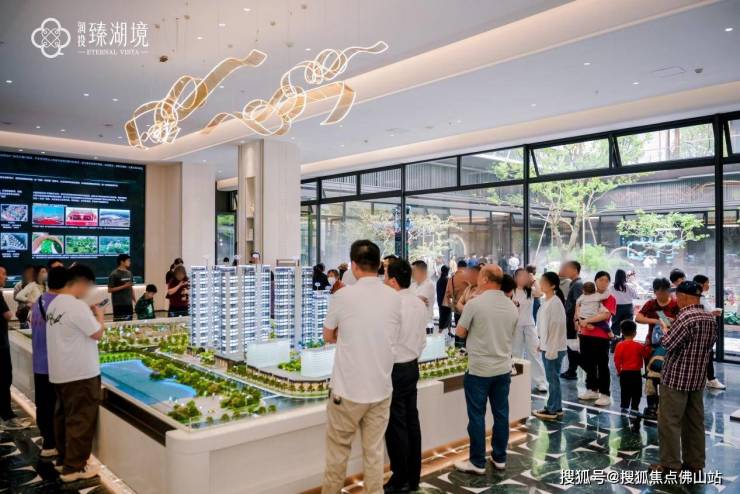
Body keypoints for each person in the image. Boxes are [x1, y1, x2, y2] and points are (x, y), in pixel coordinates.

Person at [321, 240, 401, 494]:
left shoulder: (343, 296)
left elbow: (327, 335)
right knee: (374, 454)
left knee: (337, 455)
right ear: (379, 266)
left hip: (347, 391)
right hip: (381, 389)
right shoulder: (393, 297)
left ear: (354, 265)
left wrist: (346, 335)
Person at [454, 264, 518, 474]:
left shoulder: (475, 304)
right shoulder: (511, 306)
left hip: (479, 369)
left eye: (480, 275)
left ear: (484, 279)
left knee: (476, 416)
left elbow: (460, 332)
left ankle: (477, 462)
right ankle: (499, 458)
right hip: (503, 368)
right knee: (501, 414)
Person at [46, 264, 105, 482]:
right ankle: (74, 468)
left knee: (63, 418)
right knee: (81, 420)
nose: (88, 291)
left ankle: (64, 460)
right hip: (80, 374)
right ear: (81, 283)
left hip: (61, 372)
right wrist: (100, 315)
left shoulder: (54, 304)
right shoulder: (76, 306)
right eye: (89, 286)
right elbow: (97, 333)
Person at [653, 281, 717, 474]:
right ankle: (695, 463)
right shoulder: (709, 318)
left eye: (677, 296)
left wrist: (666, 329)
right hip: (697, 378)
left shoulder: (685, 317)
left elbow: (668, 343)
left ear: (684, 297)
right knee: (695, 422)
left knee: (670, 422)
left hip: (676, 378)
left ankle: (670, 464)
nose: (675, 299)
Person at [384, 259, 427, 493]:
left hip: (396, 369)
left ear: (392, 280)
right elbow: (422, 339)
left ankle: (400, 477)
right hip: (412, 366)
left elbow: (387, 342)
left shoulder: (393, 305)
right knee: (412, 421)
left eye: (385, 276)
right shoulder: (418, 302)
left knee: (396, 425)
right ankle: (413, 476)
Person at [31, 265, 68, 456]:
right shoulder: (61, 305)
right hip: (55, 365)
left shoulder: (38, 301)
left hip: (39, 363)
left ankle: (48, 443)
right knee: (56, 407)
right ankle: (57, 445)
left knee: (43, 405)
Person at [636, 277, 678, 419]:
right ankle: (651, 406)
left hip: (669, 347)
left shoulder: (675, 304)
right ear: (654, 292)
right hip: (652, 346)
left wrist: (669, 321)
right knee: (651, 376)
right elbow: (638, 318)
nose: (662, 295)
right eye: (658, 292)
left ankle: (665, 406)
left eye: (665, 291)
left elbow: (681, 321)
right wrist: (655, 320)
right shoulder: (651, 304)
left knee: (666, 376)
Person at [577, 271, 616, 407]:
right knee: (588, 363)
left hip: (601, 337)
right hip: (585, 334)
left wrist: (586, 320)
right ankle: (592, 389)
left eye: (606, 280)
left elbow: (605, 315)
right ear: (595, 281)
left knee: (602, 365)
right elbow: (578, 308)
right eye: (601, 280)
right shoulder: (587, 295)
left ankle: (605, 394)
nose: (603, 283)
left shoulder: (609, 298)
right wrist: (579, 321)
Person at [532, 271, 567, 420]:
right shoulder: (546, 301)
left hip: (554, 348)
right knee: (553, 379)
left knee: (553, 379)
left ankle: (552, 409)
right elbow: (544, 325)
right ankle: (556, 407)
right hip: (548, 345)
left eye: (544, 282)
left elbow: (556, 328)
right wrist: (542, 343)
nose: (541, 284)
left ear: (553, 285)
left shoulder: (555, 302)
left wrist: (551, 349)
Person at [1, 264, 31, 430]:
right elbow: (8, 314)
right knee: (4, 379)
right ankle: (7, 417)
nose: (5, 277)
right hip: (1, 345)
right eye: (3, 274)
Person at [512, 268, 547, 393]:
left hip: (530, 325)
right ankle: (516, 380)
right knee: (516, 353)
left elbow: (540, 293)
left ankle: (541, 382)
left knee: (535, 353)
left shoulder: (530, 290)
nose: (524, 278)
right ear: (516, 277)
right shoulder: (511, 291)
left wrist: (533, 280)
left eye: (525, 276)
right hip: (515, 326)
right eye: (521, 276)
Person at [693, 274, 726, 390]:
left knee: (708, 354)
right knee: (708, 354)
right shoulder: (695, 298)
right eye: (707, 282)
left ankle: (708, 378)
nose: (709, 285)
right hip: (700, 332)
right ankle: (710, 379)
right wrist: (711, 313)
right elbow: (696, 314)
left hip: (706, 330)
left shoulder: (701, 297)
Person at [613, 320, 644, 415]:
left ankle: (624, 407)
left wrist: (619, 371)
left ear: (622, 332)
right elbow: (646, 354)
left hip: (624, 373)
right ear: (635, 333)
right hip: (636, 373)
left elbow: (617, 360)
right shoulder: (639, 346)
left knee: (625, 391)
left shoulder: (619, 345)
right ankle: (634, 408)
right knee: (637, 392)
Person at [560, 261, 583, 380]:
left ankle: (572, 370)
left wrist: (576, 321)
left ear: (575, 270)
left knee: (572, 345)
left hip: (572, 321)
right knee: (571, 345)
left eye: (568, 269)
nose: (566, 271)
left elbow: (579, 304)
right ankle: (571, 370)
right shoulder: (574, 283)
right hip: (570, 319)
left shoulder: (578, 284)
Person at [610, 269, 638, 349]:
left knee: (615, 326)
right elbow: (635, 296)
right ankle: (625, 346)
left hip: (616, 308)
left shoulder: (612, 287)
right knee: (627, 327)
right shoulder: (629, 286)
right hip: (628, 308)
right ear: (624, 277)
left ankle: (614, 346)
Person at [410, 260, 436, 333]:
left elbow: (418, 302)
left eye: (414, 271)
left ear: (422, 272)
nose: (411, 274)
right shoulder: (413, 285)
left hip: (425, 325)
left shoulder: (429, 285)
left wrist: (413, 301)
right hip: (413, 324)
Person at [108, 254, 135, 321]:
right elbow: (110, 289)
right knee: (119, 323)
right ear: (122, 262)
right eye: (128, 261)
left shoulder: (129, 273)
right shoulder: (114, 274)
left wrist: (134, 300)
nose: (130, 262)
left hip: (129, 303)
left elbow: (131, 287)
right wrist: (124, 286)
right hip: (118, 304)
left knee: (129, 323)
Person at [444, 260, 469, 329]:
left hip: (456, 309)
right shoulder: (469, 277)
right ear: (466, 267)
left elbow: (447, 295)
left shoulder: (451, 279)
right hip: (468, 308)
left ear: (457, 267)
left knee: (458, 329)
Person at [436, 265, 451, 333]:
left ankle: (448, 331)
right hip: (446, 302)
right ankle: (440, 332)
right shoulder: (447, 280)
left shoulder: (439, 280)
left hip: (440, 301)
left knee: (443, 316)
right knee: (446, 316)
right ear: (447, 271)